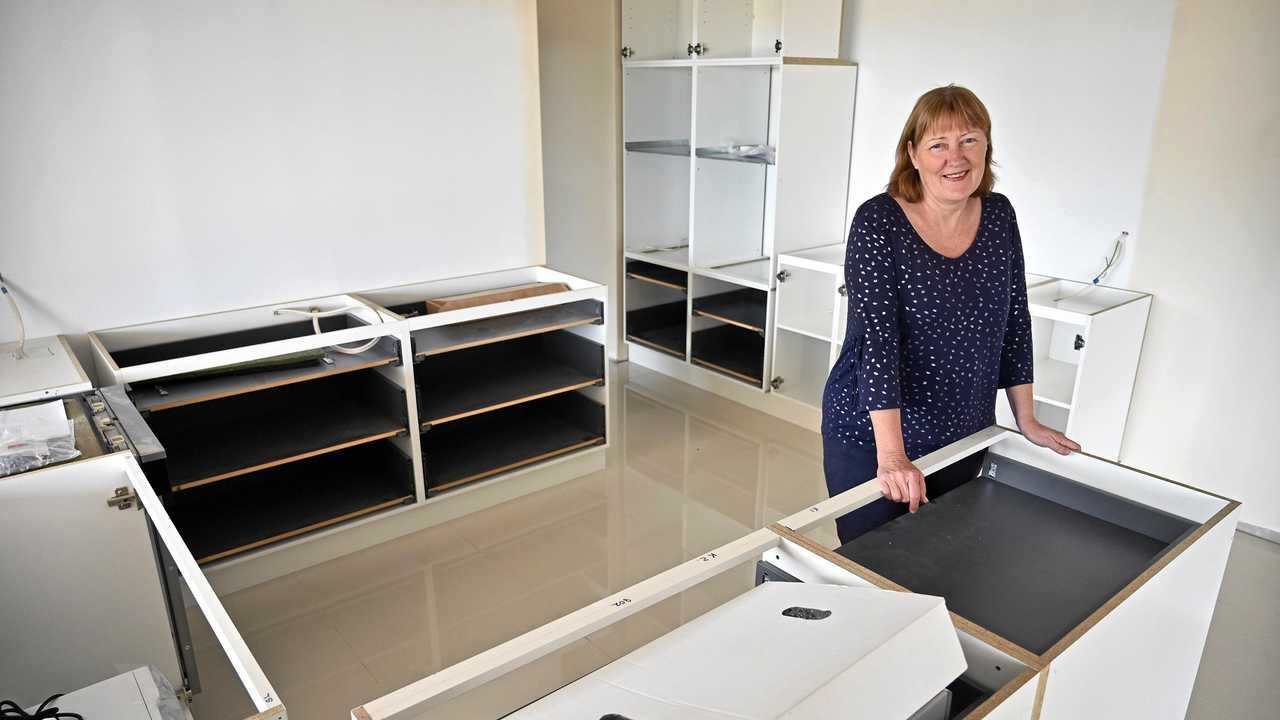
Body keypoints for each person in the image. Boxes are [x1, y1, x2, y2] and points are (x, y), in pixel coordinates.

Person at [821, 85, 1079, 544]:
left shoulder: (999, 215)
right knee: (876, 563)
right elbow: (878, 343)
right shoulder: (878, 221)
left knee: (943, 560)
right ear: (912, 153)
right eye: (938, 144)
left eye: (969, 140)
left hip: (964, 432)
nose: (955, 158)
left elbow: (1014, 319)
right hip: (874, 436)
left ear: (986, 148)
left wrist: (1027, 419)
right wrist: (893, 456)